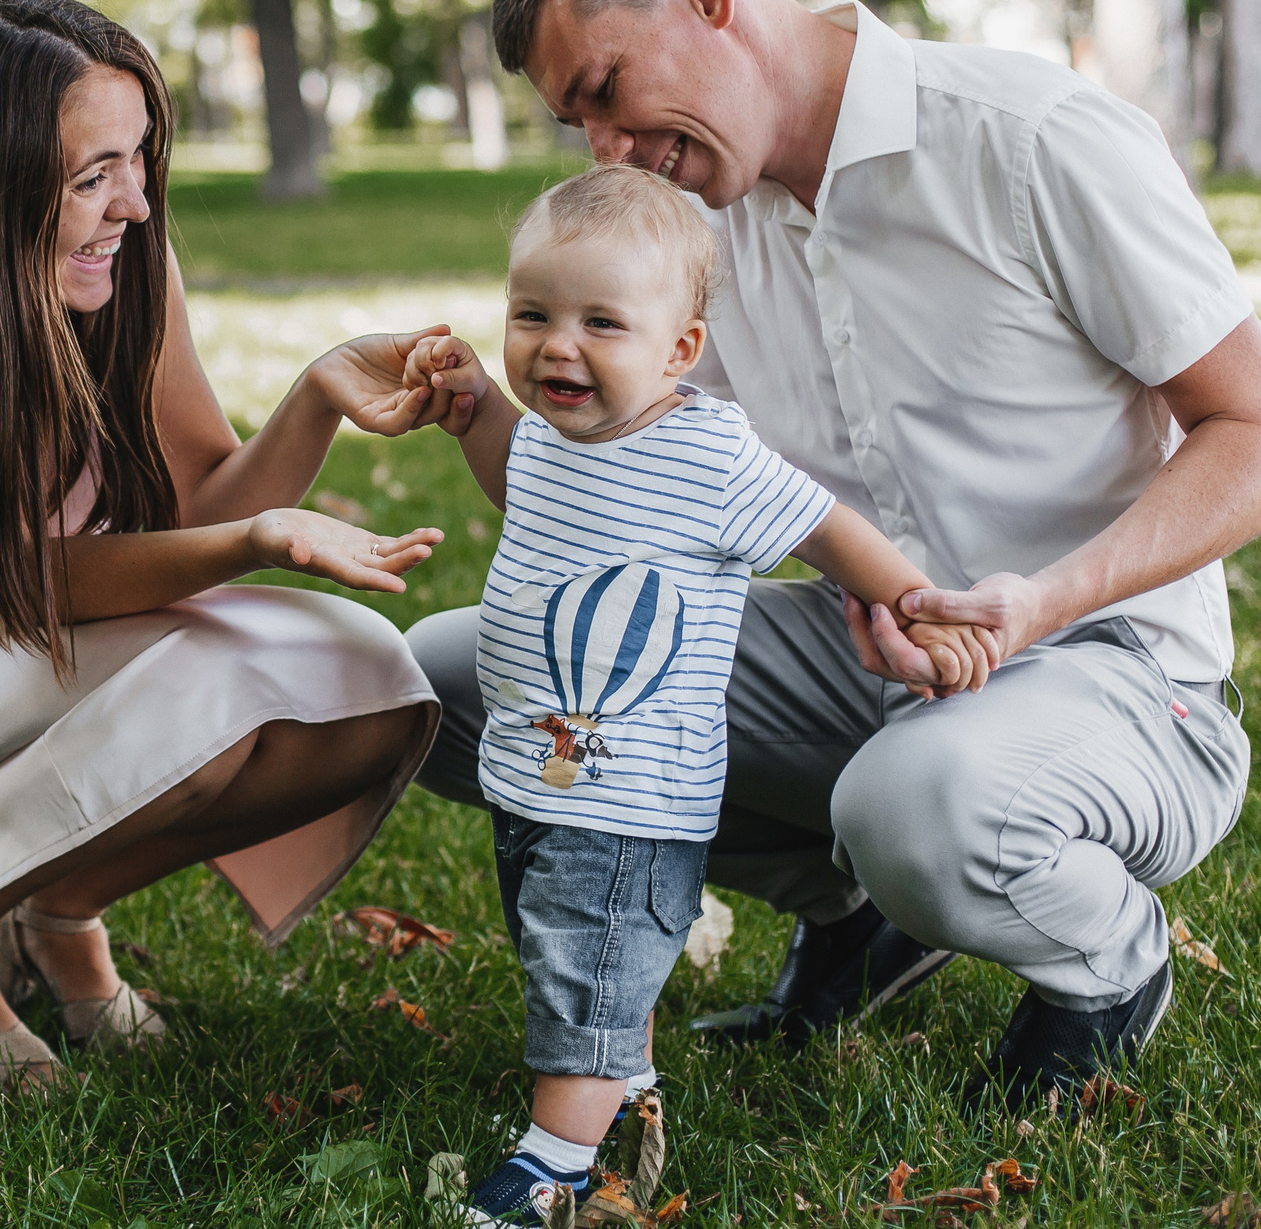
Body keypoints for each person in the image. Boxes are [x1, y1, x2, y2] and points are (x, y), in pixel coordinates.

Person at [409, 0, 1261, 1110]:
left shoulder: (1029, 140)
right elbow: (636, 490)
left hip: (1117, 673)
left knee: (919, 802)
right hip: (866, 659)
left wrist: (1041, 602)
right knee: (456, 678)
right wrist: (475, 404)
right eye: (581, 127)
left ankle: (1108, 963)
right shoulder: (693, 231)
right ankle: (849, 909)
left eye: (607, 94)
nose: (610, 150)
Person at [0, 0, 455, 1090]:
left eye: (138, 161)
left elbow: (197, 500)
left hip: (65, 655)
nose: (136, 207)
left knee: (369, 680)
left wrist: (313, 400)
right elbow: (4, 584)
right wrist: (253, 544)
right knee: (211, 679)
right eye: (91, 176)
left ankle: (53, 909)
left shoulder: (116, 269)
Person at [400, 166, 997, 1224]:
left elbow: (822, 526)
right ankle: (622, 1090)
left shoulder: (706, 451)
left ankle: (552, 1163)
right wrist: (475, 414)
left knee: (586, 964)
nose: (556, 345)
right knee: (560, 947)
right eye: (529, 314)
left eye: (599, 323)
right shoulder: (551, 431)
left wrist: (909, 601)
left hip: (631, 797)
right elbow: (527, 486)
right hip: (538, 772)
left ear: (677, 350)